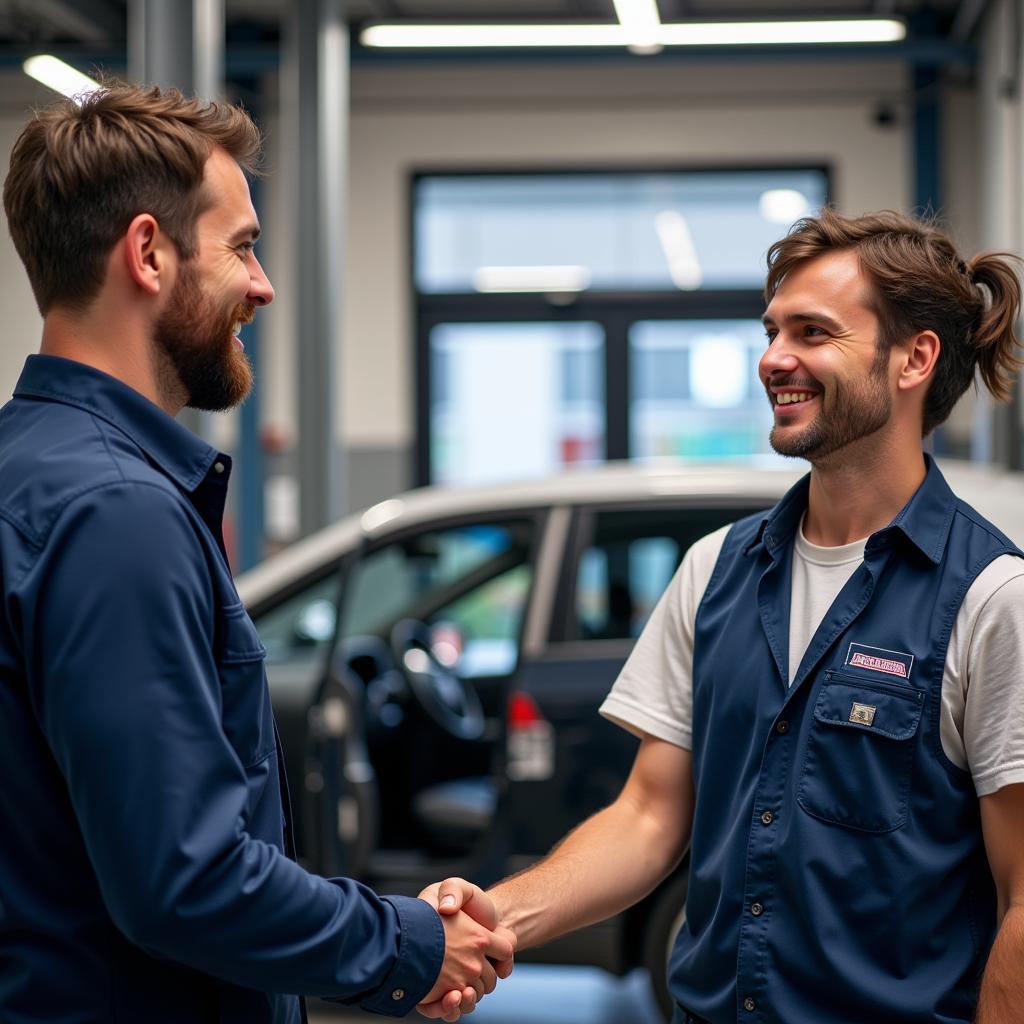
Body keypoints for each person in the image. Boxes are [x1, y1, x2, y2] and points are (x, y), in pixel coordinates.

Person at [429, 210, 1024, 1023]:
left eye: (813, 332)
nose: (774, 359)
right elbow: (649, 816)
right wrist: (498, 917)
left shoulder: (992, 598)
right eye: (773, 330)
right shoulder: (715, 570)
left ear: (914, 358)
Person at [0, 82, 513, 1024]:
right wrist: (408, 944)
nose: (263, 285)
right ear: (148, 252)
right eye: (242, 247)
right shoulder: (116, 512)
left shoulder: (26, 472)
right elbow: (183, 880)